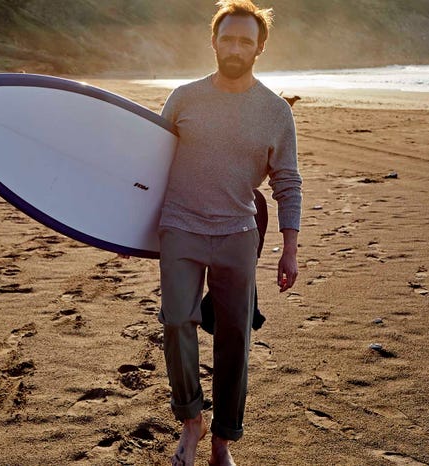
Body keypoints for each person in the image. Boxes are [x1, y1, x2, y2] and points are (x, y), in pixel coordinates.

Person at [157, 1, 302, 465]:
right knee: (178, 319)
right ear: (213, 41)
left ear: (260, 47)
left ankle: (223, 439)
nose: (235, 47)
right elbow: (149, 164)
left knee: (235, 335)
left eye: (245, 40)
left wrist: (289, 248)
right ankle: (190, 422)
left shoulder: (275, 111)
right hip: (180, 226)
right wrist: (123, 228)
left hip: (238, 232)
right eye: (227, 38)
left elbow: (287, 182)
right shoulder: (184, 97)